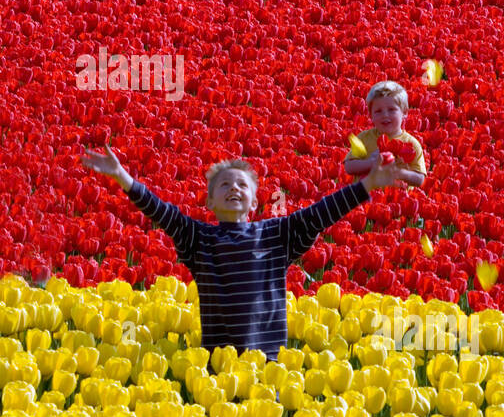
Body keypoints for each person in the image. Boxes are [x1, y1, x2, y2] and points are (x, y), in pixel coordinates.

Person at [80, 145, 402, 359]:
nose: (234, 188)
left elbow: (320, 212)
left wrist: (367, 185)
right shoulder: (199, 238)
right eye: (224, 185)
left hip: (267, 363)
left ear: (253, 201)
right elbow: (163, 213)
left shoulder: (275, 235)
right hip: (219, 365)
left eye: (242, 186)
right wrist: (123, 178)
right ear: (209, 203)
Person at [343, 81, 427, 190]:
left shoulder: (411, 144)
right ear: (371, 115)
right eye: (378, 111)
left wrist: (399, 173)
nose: (385, 115)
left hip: (397, 200)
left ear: (405, 112)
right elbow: (349, 167)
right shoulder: (364, 138)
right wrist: (371, 163)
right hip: (366, 201)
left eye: (391, 110)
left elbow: (420, 179)